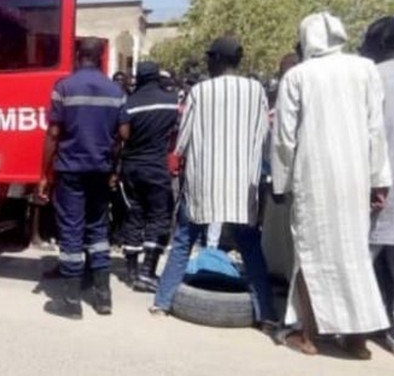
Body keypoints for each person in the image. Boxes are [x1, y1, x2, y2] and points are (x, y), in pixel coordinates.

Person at [272, 12, 391, 359]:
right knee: (353, 253)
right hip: (355, 177)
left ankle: (308, 336)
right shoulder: (365, 69)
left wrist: (281, 181)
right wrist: (378, 179)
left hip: (313, 177)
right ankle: (356, 340)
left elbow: (284, 140)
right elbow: (375, 129)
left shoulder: (298, 76)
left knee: (312, 254)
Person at [150, 37, 278, 330]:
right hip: (241, 184)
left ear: (217, 59)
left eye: (209, 57)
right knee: (250, 247)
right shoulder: (256, 89)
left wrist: (181, 154)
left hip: (203, 182)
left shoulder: (200, 91)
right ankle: (266, 313)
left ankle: (162, 302)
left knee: (183, 241)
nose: (207, 62)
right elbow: (264, 136)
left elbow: (182, 141)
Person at [37, 38, 130, 319]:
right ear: (101, 57)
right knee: (98, 231)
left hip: (70, 171)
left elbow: (53, 135)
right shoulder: (116, 90)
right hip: (100, 171)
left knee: (71, 231)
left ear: (78, 55)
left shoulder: (64, 87)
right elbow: (124, 135)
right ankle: (103, 299)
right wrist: (113, 167)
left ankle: (71, 301)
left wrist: (44, 174)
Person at [360, 13, 394, 358]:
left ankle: (351, 333)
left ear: (377, 45)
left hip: (381, 190)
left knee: (359, 264)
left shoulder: (372, 78)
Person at [120, 61, 179, 292]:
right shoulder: (171, 102)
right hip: (156, 167)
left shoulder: (129, 103)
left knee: (134, 215)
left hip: (131, 168)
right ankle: (147, 272)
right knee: (158, 217)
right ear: (156, 77)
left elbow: (122, 135)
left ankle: (132, 271)